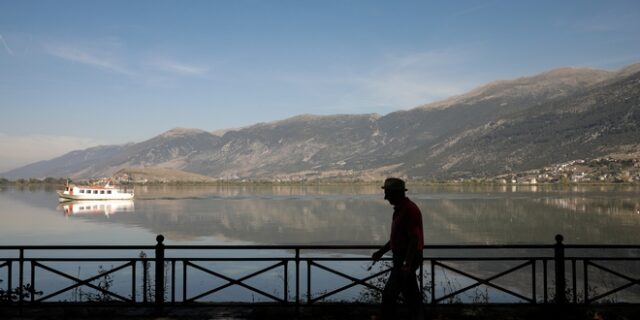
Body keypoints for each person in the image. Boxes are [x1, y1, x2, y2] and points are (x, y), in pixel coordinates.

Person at [371, 177, 424, 320]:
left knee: (389, 294)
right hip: (403, 257)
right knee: (411, 294)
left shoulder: (409, 210)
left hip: (406, 258)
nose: (385, 197)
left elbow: (414, 238)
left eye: (387, 193)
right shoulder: (402, 209)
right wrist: (381, 252)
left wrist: (407, 264)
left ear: (397, 193)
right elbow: (398, 238)